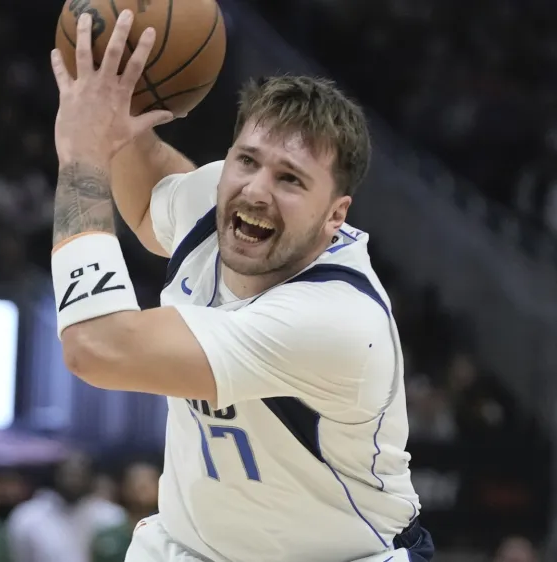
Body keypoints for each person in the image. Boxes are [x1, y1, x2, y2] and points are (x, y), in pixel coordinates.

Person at [47, 10, 433, 562]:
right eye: (246, 161)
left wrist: (82, 159)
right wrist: (122, 101)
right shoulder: (215, 202)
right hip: (194, 549)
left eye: (290, 179)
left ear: (335, 215)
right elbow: (145, 202)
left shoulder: (337, 320)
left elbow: (96, 348)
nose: (255, 190)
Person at [6, 452, 125, 562]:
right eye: (68, 474)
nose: (73, 480)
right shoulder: (28, 517)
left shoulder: (111, 517)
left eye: (79, 475)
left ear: (91, 478)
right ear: (56, 476)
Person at [91, 462, 160, 562]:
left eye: (149, 480)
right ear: (124, 487)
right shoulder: (107, 538)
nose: (142, 486)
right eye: (136, 481)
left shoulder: (173, 536)